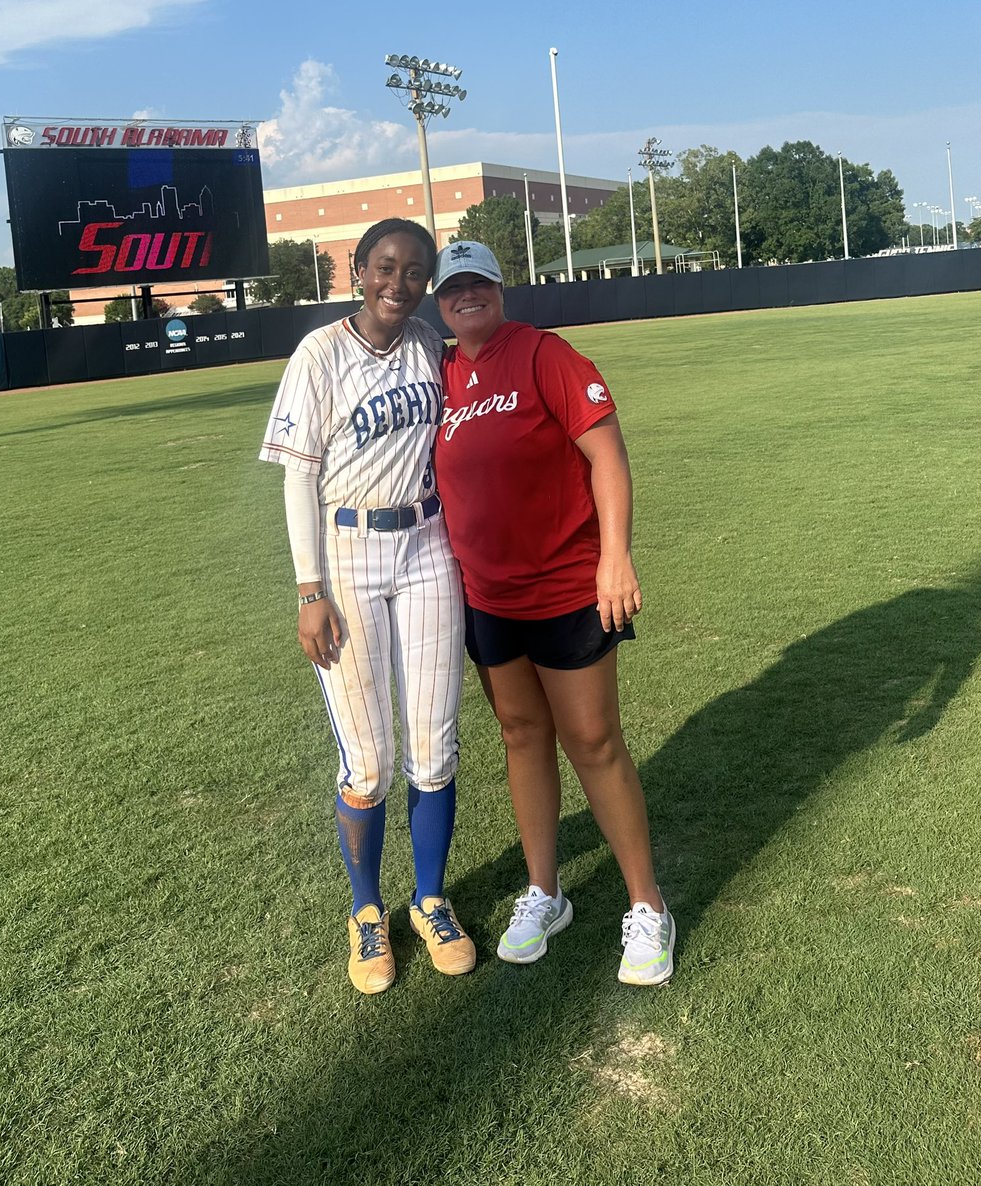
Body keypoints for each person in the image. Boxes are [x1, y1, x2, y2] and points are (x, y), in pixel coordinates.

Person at [431, 241, 674, 986]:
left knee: (594, 741)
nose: (466, 295)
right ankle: (545, 892)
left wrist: (615, 555)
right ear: (440, 303)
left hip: (569, 586)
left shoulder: (545, 355)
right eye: (453, 288)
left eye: (479, 283)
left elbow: (608, 454)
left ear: (500, 290)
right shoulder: (439, 374)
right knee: (521, 735)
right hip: (487, 596)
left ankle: (647, 904)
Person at [259, 219, 474, 995]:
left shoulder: (429, 345)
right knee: (370, 762)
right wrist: (308, 590)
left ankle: (430, 900)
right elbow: (296, 481)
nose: (400, 281)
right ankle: (366, 912)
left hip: (426, 546)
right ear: (358, 269)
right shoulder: (319, 352)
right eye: (386, 266)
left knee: (434, 747)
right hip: (346, 551)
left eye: (415, 271)